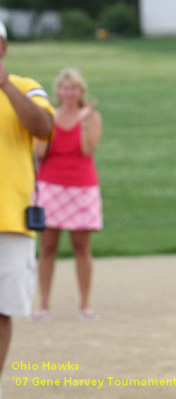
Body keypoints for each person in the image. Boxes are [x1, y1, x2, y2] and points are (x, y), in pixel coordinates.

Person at [0, 20, 54, 387]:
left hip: (11, 220)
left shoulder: (25, 87)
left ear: (3, 48)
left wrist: (4, 83)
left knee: (1, 311)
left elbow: (43, 127)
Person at [32, 68, 103, 322]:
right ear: (58, 92)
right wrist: (44, 127)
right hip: (51, 185)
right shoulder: (48, 117)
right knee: (48, 246)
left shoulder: (93, 118)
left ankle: (85, 305)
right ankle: (43, 305)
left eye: (73, 88)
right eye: (64, 88)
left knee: (81, 246)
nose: (69, 93)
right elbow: (39, 153)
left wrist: (83, 123)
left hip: (82, 187)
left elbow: (87, 150)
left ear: (81, 91)